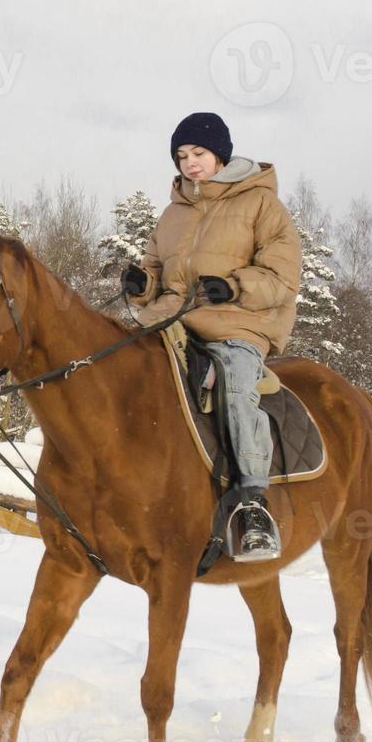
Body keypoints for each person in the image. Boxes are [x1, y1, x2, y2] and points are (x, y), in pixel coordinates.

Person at [120, 112, 303, 561]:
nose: (190, 163)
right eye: (182, 156)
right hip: (170, 321)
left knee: (236, 387)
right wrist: (142, 284)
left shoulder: (262, 205)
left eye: (198, 153)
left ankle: (253, 506)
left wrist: (235, 285)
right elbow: (157, 268)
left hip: (237, 323)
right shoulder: (173, 213)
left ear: (219, 153)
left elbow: (282, 274)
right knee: (115, 369)